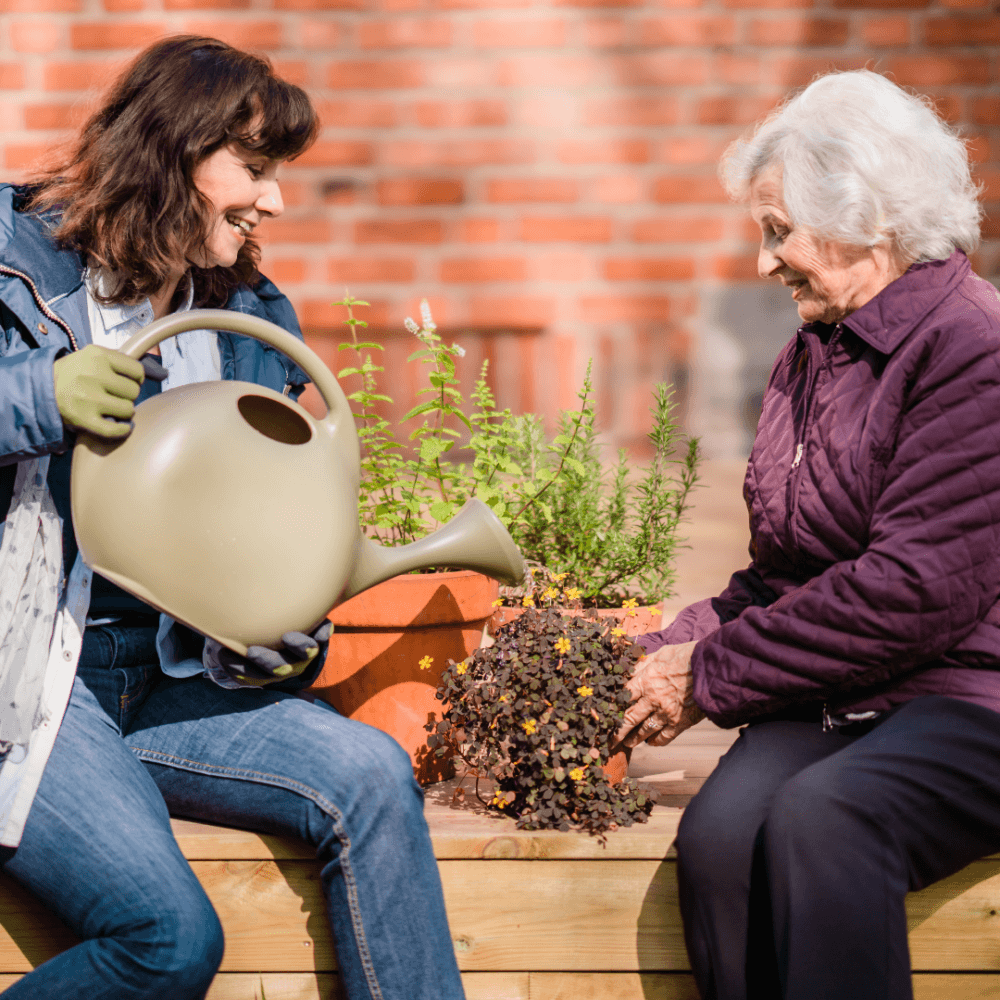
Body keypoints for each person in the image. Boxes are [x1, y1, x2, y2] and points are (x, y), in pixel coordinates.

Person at [0, 36, 466, 1000]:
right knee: (167, 941)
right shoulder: (15, 261)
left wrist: (285, 632)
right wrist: (40, 394)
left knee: (373, 775)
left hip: (170, 677)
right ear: (172, 152)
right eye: (253, 169)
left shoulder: (247, 316)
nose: (275, 201)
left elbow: (264, 525)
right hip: (30, 678)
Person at [618, 69, 1000, 1000]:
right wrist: (648, 657)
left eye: (778, 230)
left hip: (970, 700)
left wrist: (708, 676)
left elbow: (913, 590)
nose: (763, 262)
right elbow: (781, 577)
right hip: (847, 693)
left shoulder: (972, 348)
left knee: (827, 817)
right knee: (721, 836)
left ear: (868, 218)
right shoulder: (813, 353)